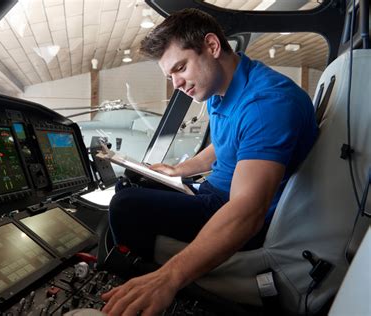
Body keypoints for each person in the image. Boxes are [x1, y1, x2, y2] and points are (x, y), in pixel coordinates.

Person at [101, 8, 318, 316]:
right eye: (170, 76)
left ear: (213, 47)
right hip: (213, 193)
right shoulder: (220, 89)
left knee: (125, 207)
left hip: (233, 210)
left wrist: (169, 278)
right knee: (132, 183)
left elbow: (247, 212)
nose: (176, 83)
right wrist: (178, 170)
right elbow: (224, 144)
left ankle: (149, 289)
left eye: (180, 67)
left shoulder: (266, 104)